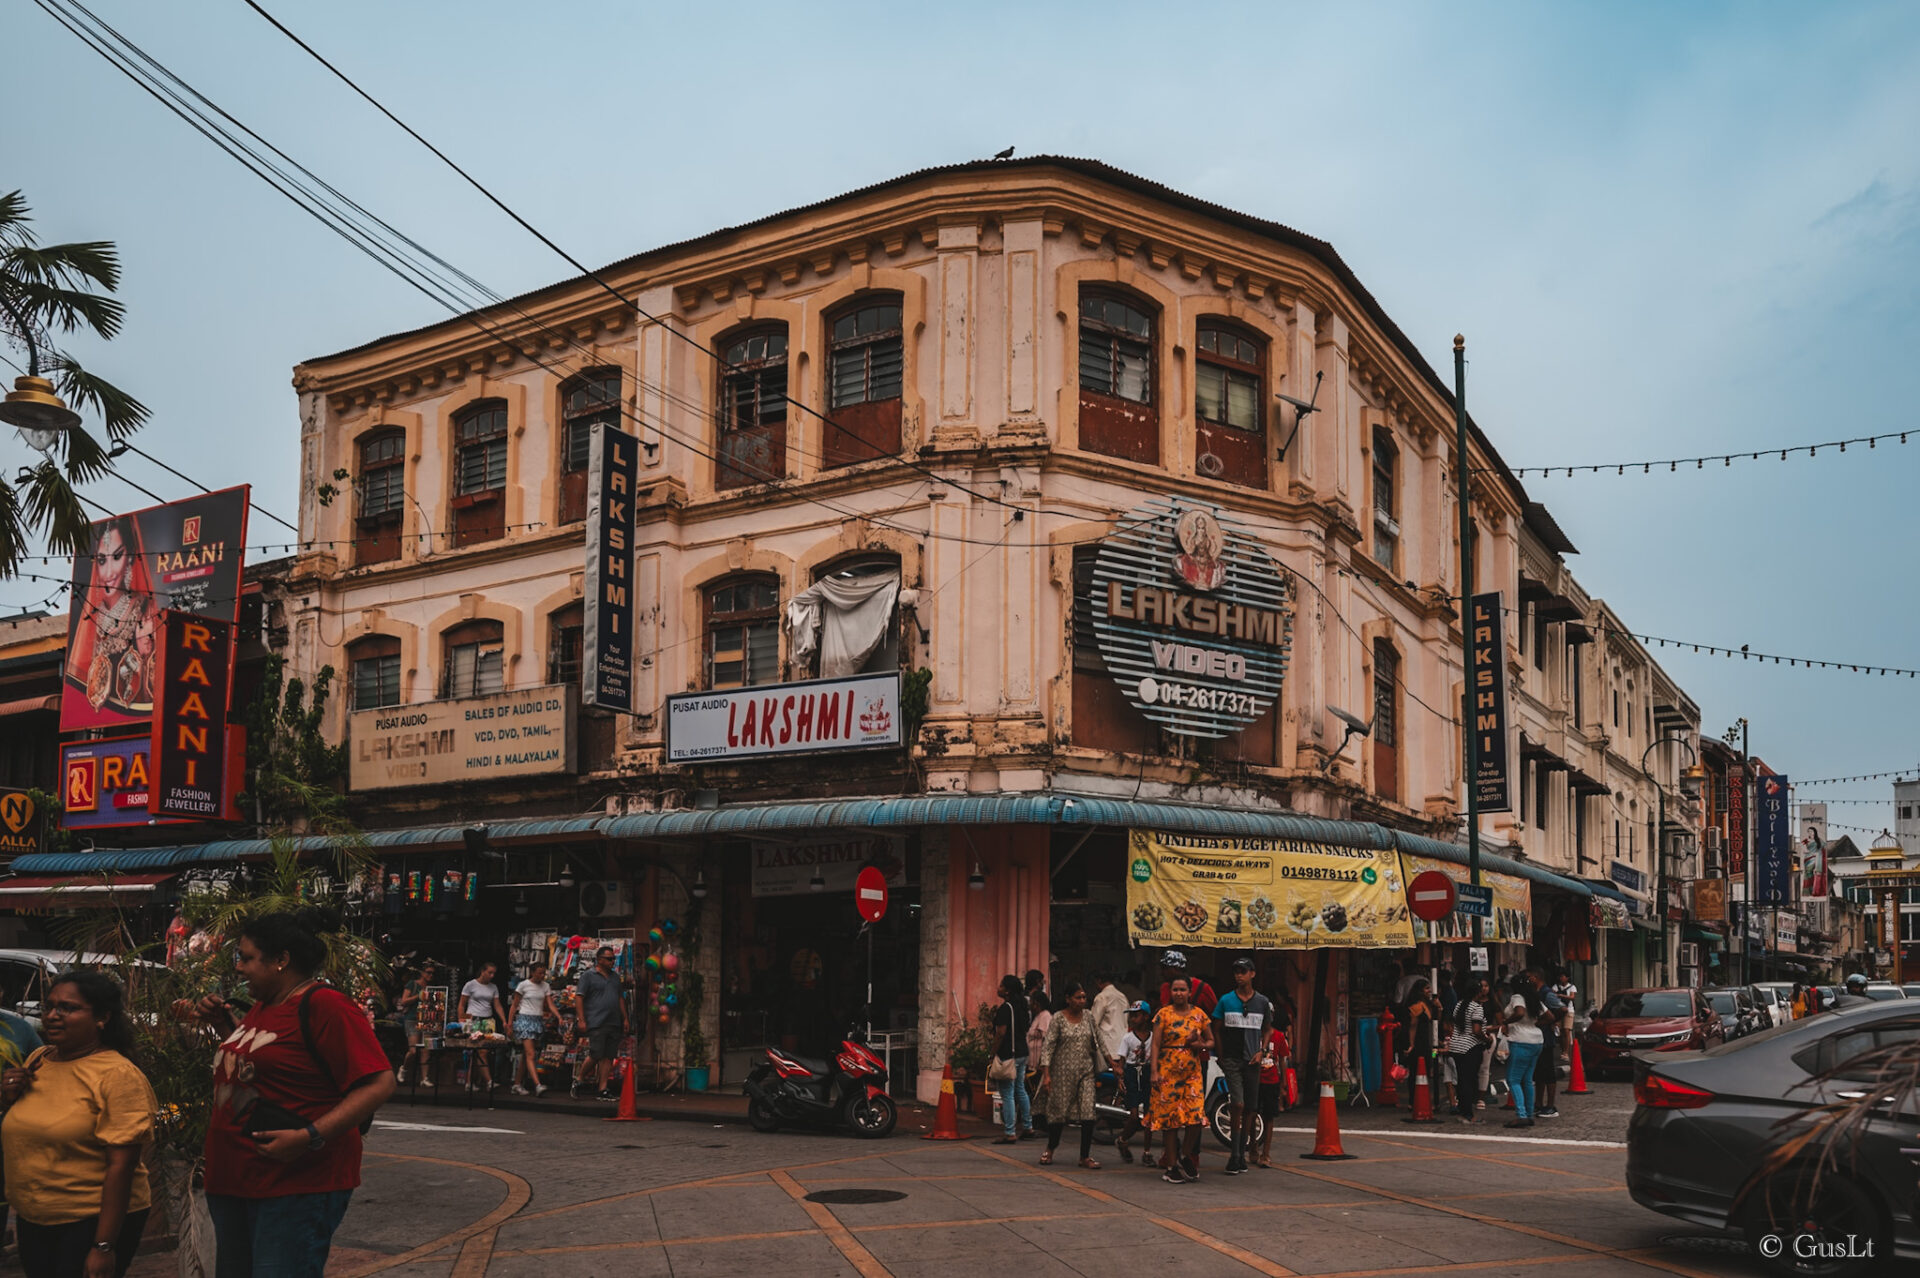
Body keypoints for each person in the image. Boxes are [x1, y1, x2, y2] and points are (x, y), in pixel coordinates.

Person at [188, 908, 396, 1278]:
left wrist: (308, 1135)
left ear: (282, 960)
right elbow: (263, 1071)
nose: (239, 967)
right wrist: (225, 1026)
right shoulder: (264, 1007)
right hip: (234, 1180)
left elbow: (379, 1082)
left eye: (247, 958)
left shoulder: (325, 1005)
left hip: (293, 1185)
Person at [1, 972, 155, 1278]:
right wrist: (7, 1099)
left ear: (102, 1018)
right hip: (36, 1216)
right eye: (49, 1007)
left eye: (68, 1008)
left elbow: (121, 1167)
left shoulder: (118, 1075)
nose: (53, 1016)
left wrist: (103, 1246)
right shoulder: (39, 1059)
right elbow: (30, 1127)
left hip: (91, 1219)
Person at [1148, 975, 1212, 1183]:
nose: (1178, 993)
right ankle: (1171, 1165)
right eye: (1175, 989)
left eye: (1182, 989)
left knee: (1195, 1117)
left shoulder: (1199, 1015)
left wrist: (1200, 1044)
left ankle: (1185, 1155)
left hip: (1192, 1073)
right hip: (1167, 1071)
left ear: (1190, 992)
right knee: (1170, 1121)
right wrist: (1154, 1071)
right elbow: (1155, 1044)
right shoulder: (1162, 1015)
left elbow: (1211, 1041)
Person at [1211, 957, 1271, 1175]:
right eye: (1236, 972)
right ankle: (1234, 1154)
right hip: (1232, 1058)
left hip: (1252, 1060)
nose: (1239, 975)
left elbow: (1267, 1030)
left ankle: (1241, 1153)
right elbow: (1216, 1028)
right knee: (1237, 1103)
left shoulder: (1262, 1002)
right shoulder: (1226, 1001)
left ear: (1252, 974)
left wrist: (1261, 1051)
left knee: (1250, 1108)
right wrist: (1219, 1053)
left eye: (1243, 971)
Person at [1036, 982, 1105, 1169]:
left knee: (1088, 1114)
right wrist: (1047, 1074)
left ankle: (1085, 1156)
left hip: (1086, 1072)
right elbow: (1048, 1046)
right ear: (1068, 999)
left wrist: (1113, 1062)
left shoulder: (1089, 1017)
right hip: (1062, 1074)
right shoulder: (1058, 1018)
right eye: (1078, 997)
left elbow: (1099, 1040)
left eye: (1084, 997)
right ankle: (1050, 1148)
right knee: (1058, 1114)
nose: (1082, 1001)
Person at [573, 948, 628, 1101]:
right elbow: (579, 997)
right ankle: (579, 1079)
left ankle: (603, 1088)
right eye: (609, 959)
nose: (612, 962)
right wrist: (582, 1019)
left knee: (609, 1056)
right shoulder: (588, 976)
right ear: (600, 960)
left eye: (613, 959)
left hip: (613, 1020)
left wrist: (625, 1018)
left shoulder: (615, 977)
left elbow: (620, 999)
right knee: (596, 1053)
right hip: (597, 1020)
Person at [989, 975, 1033, 1144]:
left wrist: (992, 1053)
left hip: (1009, 1054)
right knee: (1020, 1089)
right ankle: (1028, 1127)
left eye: (1001, 985)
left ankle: (1010, 1132)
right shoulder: (1022, 1006)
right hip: (1022, 1052)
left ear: (1007, 990)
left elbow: (1000, 1033)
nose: (998, 987)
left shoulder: (1005, 1009)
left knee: (1007, 1093)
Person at [1501, 977, 1546, 1129]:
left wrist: (1506, 1022)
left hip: (1520, 1040)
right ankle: (1529, 1113)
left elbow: (1519, 1013)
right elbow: (1552, 1016)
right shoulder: (1534, 998)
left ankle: (1521, 1115)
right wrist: (1533, 1025)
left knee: (1513, 1079)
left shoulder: (1517, 997)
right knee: (1527, 1079)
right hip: (1537, 1040)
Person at [1446, 978, 1493, 1123]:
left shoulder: (1459, 1005)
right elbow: (1476, 1030)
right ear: (1477, 992)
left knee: (1461, 1080)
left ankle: (1462, 1111)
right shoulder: (1477, 1008)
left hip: (1456, 1046)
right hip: (1470, 1048)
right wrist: (1487, 1039)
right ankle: (1468, 1115)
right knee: (1469, 1081)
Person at [508, 963, 558, 1096]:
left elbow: (550, 1004)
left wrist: (558, 1016)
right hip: (525, 1019)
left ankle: (517, 1084)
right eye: (540, 973)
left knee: (527, 1055)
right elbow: (514, 1005)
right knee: (531, 1054)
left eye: (544, 973)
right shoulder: (523, 985)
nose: (542, 976)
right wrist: (509, 1024)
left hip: (537, 1020)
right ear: (532, 972)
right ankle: (538, 1085)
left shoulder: (545, 986)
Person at [1113, 1001, 1153, 1165]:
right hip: (1131, 1073)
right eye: (1132, 1016)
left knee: (1150, 1116)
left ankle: (1147, 1152)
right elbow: (1121, 1062)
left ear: (1145, 1017)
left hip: (1148, 1073)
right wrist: (1120, 1079)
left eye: (1136, 1015)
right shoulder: (1128, 1038)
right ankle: (1122, 1139)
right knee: (1134, 1116)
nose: (1133, 1019)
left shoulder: (1153, 1036)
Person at [457, 963, 506, 1093]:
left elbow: (497, 1005)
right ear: (482, 971)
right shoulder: (470, 985)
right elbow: (462, 1004)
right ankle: (489, 1081)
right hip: (474, 1019)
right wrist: (461, 1020)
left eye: (494, 973)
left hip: (488, 1020)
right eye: (490, 972)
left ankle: (469, 1082)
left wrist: (504, 1021)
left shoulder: (493, 987)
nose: (492, 975)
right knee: (480, 1051)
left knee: (480, 1052)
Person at [393, 962, 437, 1087]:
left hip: (427, 1019)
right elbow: (404, 1001)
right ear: (422, 973)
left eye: (432, 973)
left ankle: (424, 1078)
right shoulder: (412, 984)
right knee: (413, 1050)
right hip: (412, 1018)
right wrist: (418, 996)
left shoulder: (431, 987)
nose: (430, 975)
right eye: (428, 972)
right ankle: (404, 1068)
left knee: (426, 1049)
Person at [1527, 971, 1563, 1118]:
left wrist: (1551, 1021)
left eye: (1530, 977)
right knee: (1539, 1072)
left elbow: (1563, 1009)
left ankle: (1550, 1105)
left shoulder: (1547, 994)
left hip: (1546, 1038)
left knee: (1548, 1072)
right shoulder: (1536, 992)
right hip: (1538, 1038)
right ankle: (1539, 1103)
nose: (1528, 980)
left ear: (1536, 977)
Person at [1252, 1013, 1287, 1167]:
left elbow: (1283, 1060)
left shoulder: (1279, 1036)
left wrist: (1283, 1083)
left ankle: (1265, 1153)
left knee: (1269, 1117)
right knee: (1251, 1115)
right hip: (1254, 1079)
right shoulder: (1252, 1035)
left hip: (1271, 1081)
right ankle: (1253, 1149)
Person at [1089, 972, 1129, 1074]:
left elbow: (1092, 1023)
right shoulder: (1122, 997)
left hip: (1107, 1049)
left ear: (1098, 981)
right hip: (1122, 1047)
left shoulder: (1102, 997)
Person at [1025, 992, 1052, 1119]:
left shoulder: (1045, 1016)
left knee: (1040, 1093)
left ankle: (1041, 1121)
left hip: (1040, 1064)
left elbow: (1047, 1039)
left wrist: (1043, 1062)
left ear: (1037, 1003)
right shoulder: (1037, 1016)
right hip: (1032, 1063)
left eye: (1032, 1002)